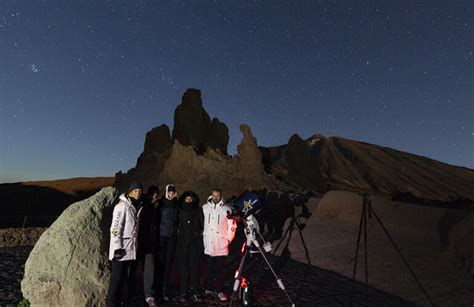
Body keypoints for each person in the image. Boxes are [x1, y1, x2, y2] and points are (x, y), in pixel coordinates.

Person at [106, 181, 143, 307]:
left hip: (130, 249)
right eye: (135, 191)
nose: (137, 193)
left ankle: (122, 302)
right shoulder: (122, 206)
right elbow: (115, 228)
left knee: (124, 280)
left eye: (139, 191)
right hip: (121, 250)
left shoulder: (135, 206)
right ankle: (111, 304)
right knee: (116, 280)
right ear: (129, 192)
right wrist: (117, 248)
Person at [202, 188, 237, 302]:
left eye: (217, 195)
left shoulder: (226, 209)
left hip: (221, 244)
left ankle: (219, 290)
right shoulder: (205, 208)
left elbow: (232, 226)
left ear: (221, 196)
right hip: (209, 243)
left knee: (220, 269)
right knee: (209, 268)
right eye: (213, 195)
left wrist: (228, 239)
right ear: (211, 196)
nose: (215, 197)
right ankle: (208, 288)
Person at [175, 191, 204, 303]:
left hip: (194, 242)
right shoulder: (180, 210)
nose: (188, 201)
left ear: (194, 200)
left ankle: (196, 292)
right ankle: (183, 292)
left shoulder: (198, 210)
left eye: (190, 199)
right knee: (184, 268)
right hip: (182, 242)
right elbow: (176, 223)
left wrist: (199, 234)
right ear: (183, 200)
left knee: (194, 268)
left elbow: (202, 224)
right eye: (187, 199)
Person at [137, 185, 159, 307]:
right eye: (153, 194)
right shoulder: (143, 204)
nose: (154, 197)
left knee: (149, 269)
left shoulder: (155, 206)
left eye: (156, 195)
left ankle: (149, 295)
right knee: (133, 268)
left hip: (150, 242)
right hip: (138, 241)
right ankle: (131, 293)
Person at [156, 184, 179, 301]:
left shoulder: (177, 204)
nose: (170, 194)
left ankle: (164, 286)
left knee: (169, 262)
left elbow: (178, 220)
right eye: (169, 192)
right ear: (166, 192)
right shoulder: (161, 203)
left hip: (172, 237)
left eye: (172, 192)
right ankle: (157, 286)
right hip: (161, 236)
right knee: (161, 261)